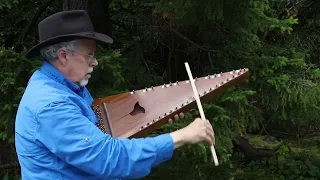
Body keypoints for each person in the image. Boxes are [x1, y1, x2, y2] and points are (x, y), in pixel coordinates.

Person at [15, 10, 215, 180]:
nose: (95, 62)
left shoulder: (64, 84)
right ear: (64, 56)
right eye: (90, 55)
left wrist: (156, 115)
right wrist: (181, 136)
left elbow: (99, 128)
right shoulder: (51, 105)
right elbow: (109, 158)